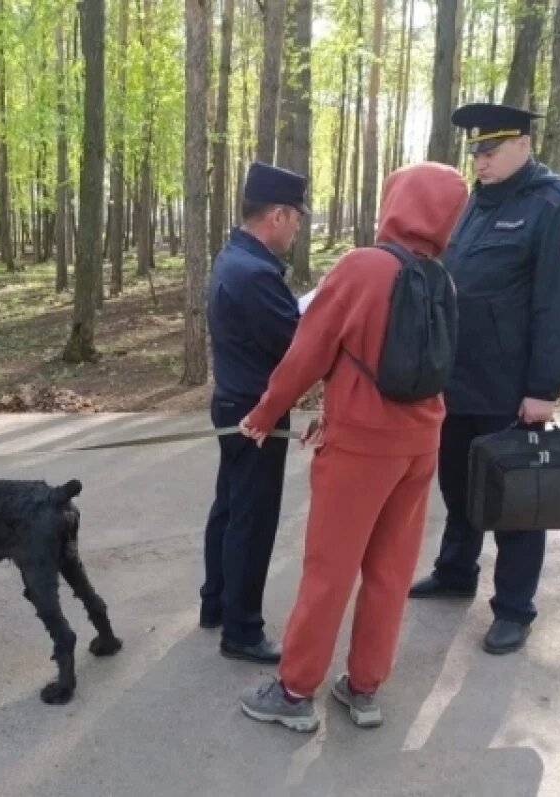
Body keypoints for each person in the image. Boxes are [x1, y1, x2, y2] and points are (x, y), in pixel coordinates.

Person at [235, 162, 469, 733]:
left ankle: (294, 691)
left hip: (361, 447)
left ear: (397, 201)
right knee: (390, 570)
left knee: (329, 570)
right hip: (421, 444)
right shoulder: (441, 277)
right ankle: (364, 688)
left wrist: (265, 414)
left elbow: (306, 354)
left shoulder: (363, 267)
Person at [408, 103, 560, 655]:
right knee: (457, 485)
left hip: (511, 386)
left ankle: (513, 607)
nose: (480, 161)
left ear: (523, 145)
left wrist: (543, 389)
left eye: (490, 150)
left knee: (517, 499)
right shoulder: (473, 206)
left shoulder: (554, 206)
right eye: (476, 153)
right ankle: (456, 570)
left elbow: (558, 307)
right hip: (458, 378)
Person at [200, 161, 308, 664]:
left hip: (234, 400)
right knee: (252, 518)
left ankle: (216, 604)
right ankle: (241, 629)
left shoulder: (234, 257)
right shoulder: (257, 273)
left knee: (229, 507)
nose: (298, 229)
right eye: (297, 219)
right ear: (279, 215)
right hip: (255, 411)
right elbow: (295, 344)